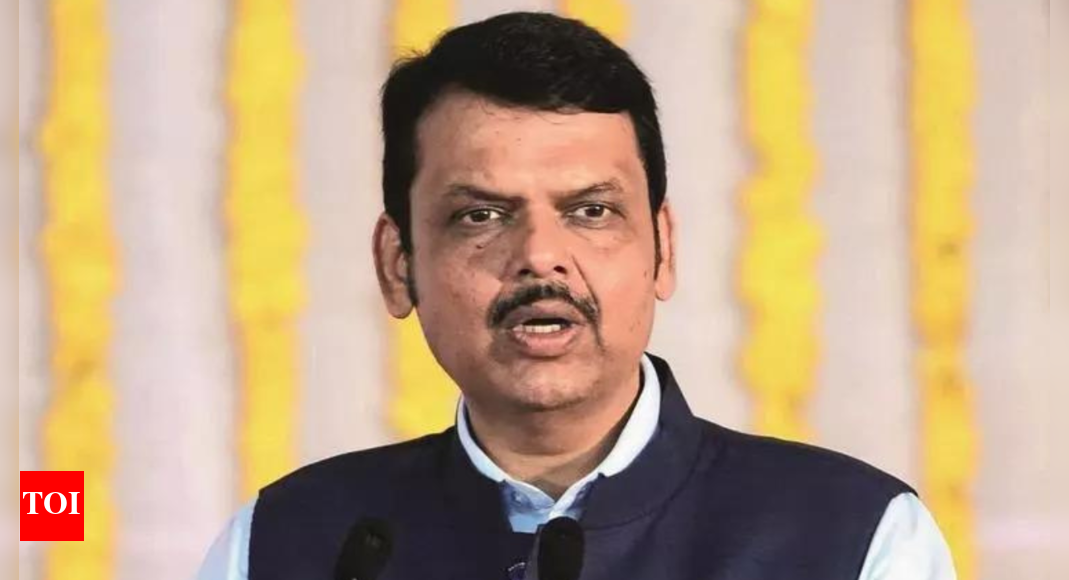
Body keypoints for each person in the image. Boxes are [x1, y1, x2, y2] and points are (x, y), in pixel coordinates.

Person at [198, 11, 955, 580]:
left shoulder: (852, 539)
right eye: (480, 216)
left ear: (662, 249)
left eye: (590, 211)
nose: (540, 256)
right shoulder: (285, 545)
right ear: (399, 265)